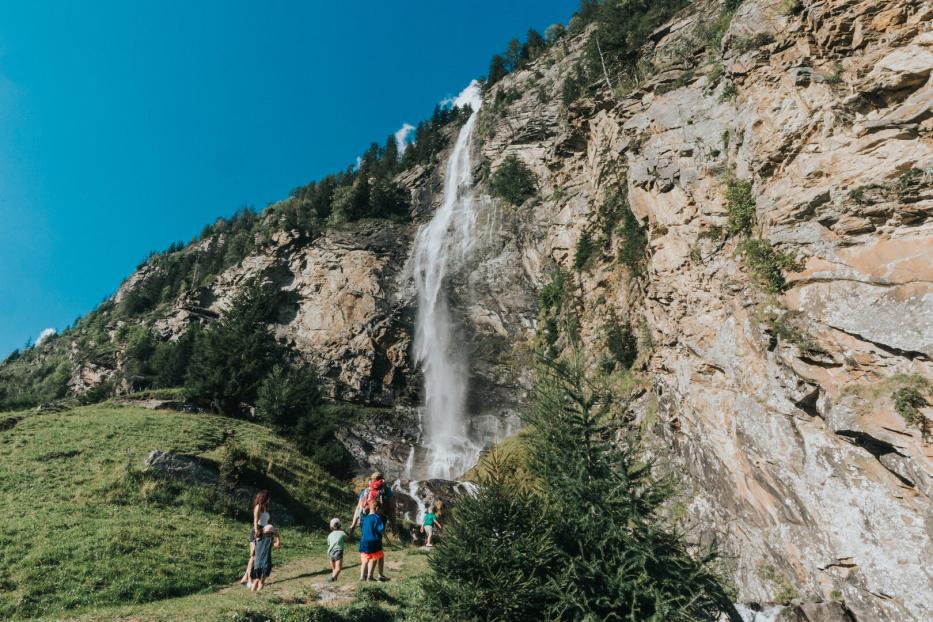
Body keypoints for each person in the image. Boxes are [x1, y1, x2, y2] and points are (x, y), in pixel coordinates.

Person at [241, 489, 272, 586]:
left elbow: (266, 522)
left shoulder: (265, 508)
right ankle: (249, 579)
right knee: (253, 556)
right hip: (256, 531)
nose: (269, 500)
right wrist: (257, 531)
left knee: (257, 556)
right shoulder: (258, 507)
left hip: (264, 532)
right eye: (268, 498)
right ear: (265, 497)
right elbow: (255, 520)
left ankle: (246, 576)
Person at [349, 471, 393, 536]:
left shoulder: (366, 491)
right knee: (376, 539)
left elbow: (358, 508)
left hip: (364, 518)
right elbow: (392, 508)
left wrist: (353, 524)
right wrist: (393, 525)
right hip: (379, 519)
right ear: (382, 480)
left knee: (365, 536)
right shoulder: (387, 492)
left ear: (372, 480)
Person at [358, 500, 386, 582]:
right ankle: (370, 576)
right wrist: (386, 539)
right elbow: (381, 530)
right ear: (377, 508)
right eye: (380, 509)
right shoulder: (377, 518)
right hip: (374, 541)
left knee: (364, 561)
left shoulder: (365, 518)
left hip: (364, 542)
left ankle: (362, 577)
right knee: (375, 558)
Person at [250, 523, 281, 591]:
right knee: (261, 581)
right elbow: (278, 546)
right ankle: (258, 594)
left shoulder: (257, 539)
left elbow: (252, 553)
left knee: (256, 580)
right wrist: (278, 536)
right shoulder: (270, 539)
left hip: (257, 563)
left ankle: (252, 594)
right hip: (266, 563)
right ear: (271, 532)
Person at [327, 517, 347, 582]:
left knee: (334, 569)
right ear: (340, 525)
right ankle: (331, 579)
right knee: (338, 569)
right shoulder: (342, 533)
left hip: (330, 553)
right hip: (338, 551)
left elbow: (328, 543)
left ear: (331, 527)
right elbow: (347, 539)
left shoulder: (329, 535)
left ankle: (334, 581)